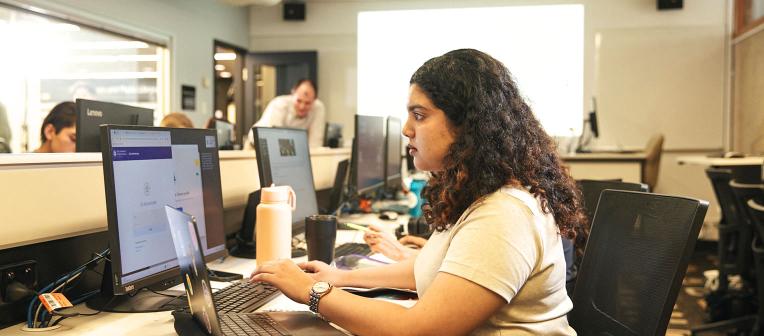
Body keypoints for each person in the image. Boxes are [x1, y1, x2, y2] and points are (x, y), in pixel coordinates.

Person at [250, 49, 585, 335]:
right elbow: (430, 268)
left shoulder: (504, 213)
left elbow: (419, 330)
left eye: (420, 115)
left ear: (468, 125)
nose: (407, 129)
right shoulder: (478, 193)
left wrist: (312, 291)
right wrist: (337, 277)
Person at [247, 79, 325, 148]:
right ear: (293, 94)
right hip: (256, 145)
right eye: (299, 101)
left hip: (288, 148)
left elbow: (315, 143)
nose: (302, 106)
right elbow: (276, 138)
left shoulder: (318, 108)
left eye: (307, 103)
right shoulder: (279, 104)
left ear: (314, 100)